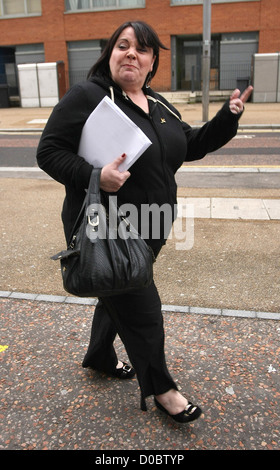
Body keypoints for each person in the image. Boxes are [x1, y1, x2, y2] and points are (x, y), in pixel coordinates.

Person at [36, 20, 253, 424]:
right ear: (111, 54)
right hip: (109, 228)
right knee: (143, 308)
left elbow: (192, 145)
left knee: (116, 286)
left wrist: (228, 116)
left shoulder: (158, 104)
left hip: (151, 227)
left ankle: (100, 356)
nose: (131, 53)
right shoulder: (89, 96)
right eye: (123, 46)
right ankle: (163, 389)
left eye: (142, 48)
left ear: (152, 61)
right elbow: (48, 152)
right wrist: (95, 176)